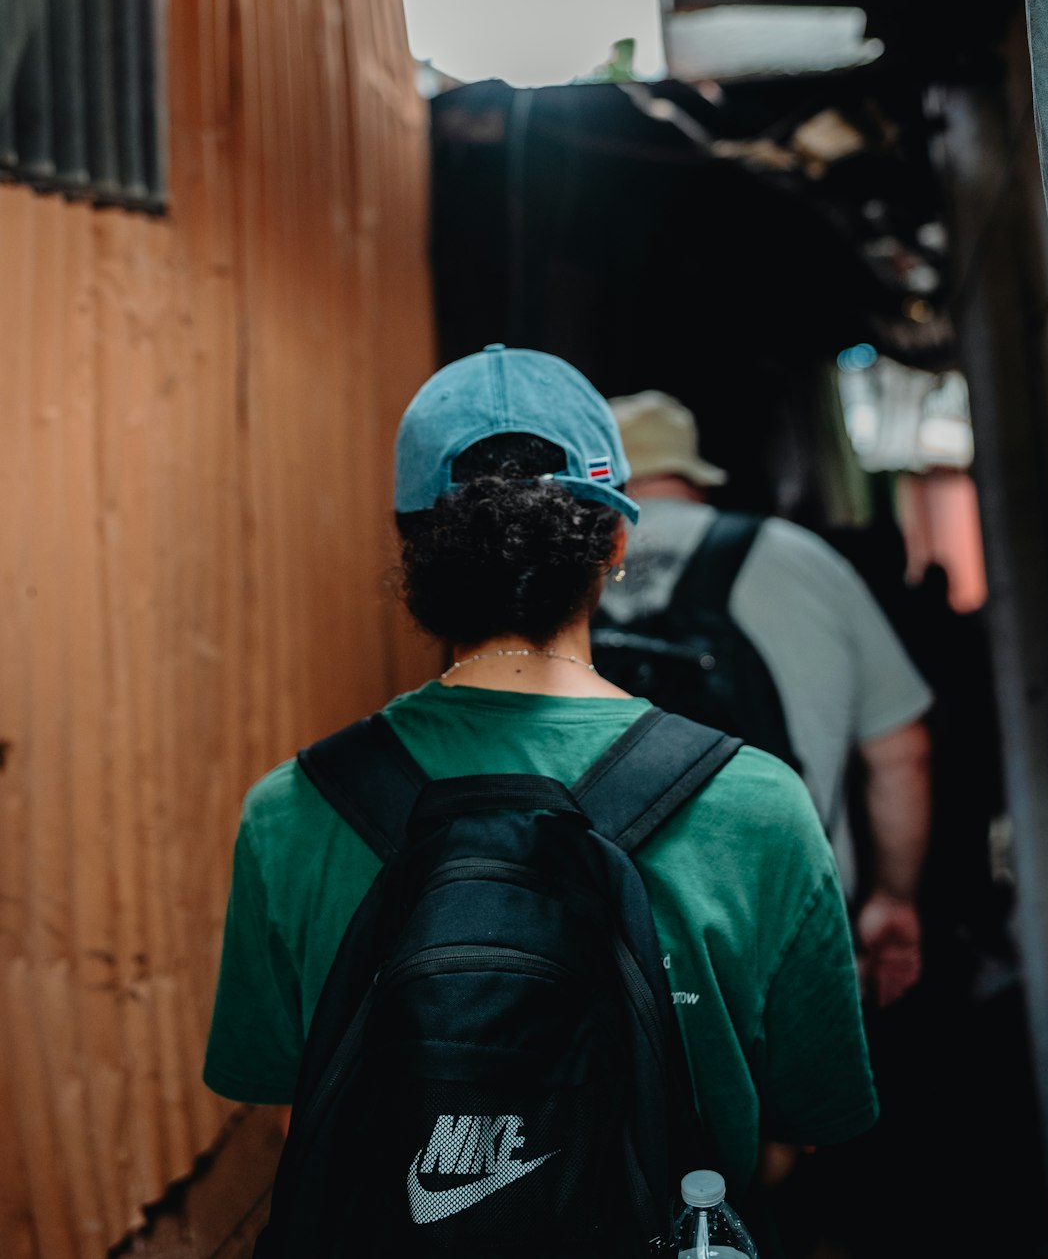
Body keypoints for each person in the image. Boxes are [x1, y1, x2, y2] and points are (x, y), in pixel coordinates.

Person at [203, 345, 879, 1209]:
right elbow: (805, 1125)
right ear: (617, 543)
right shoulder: (756, 805)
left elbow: (299, 1113)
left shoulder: (291, 811)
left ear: (413, 553)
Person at [597, 390, 933, 1011]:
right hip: (792, 942)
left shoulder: (560, 578)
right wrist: (893, 898)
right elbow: (901, 754)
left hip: (614, 964)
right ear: (693, 475)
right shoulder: (799, 557)